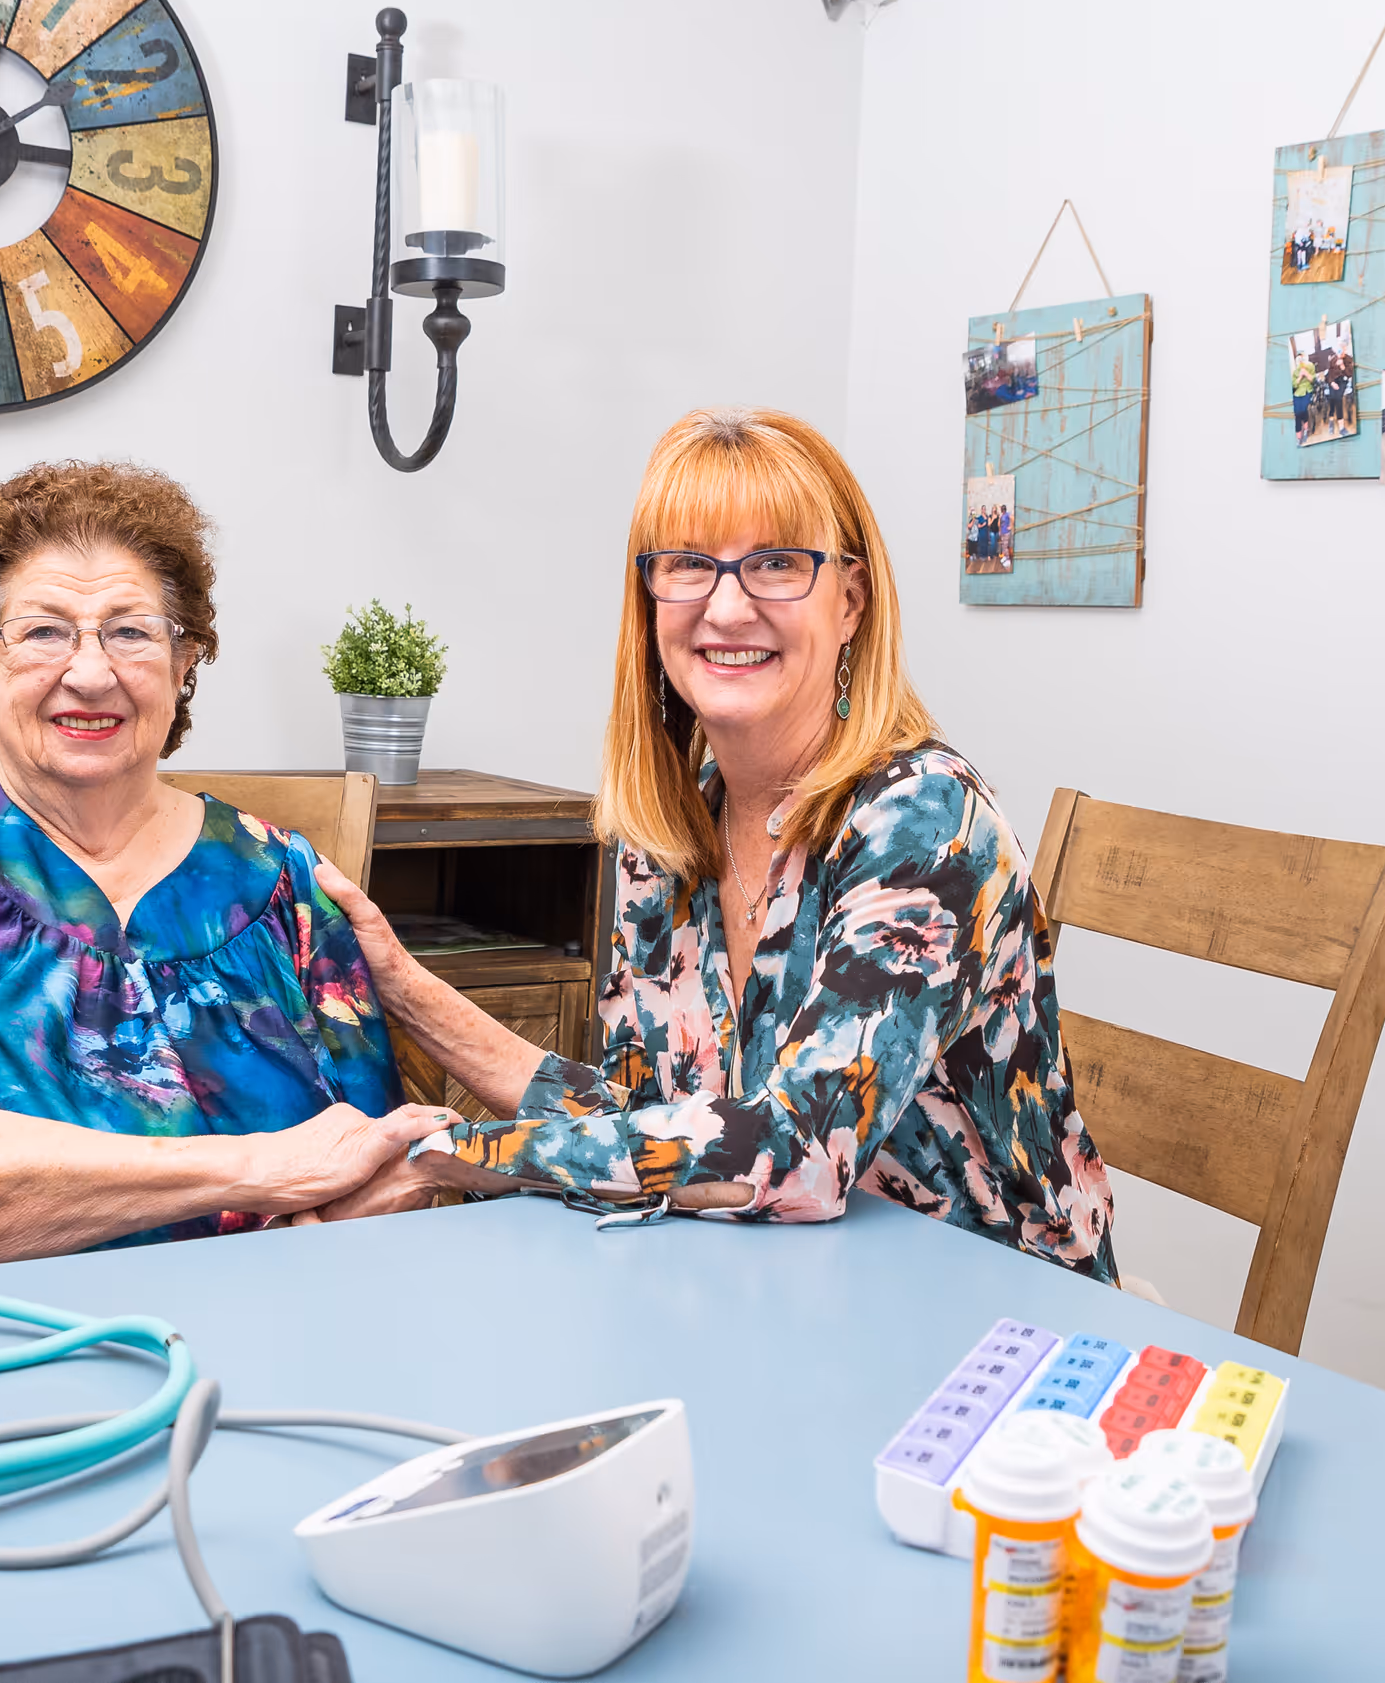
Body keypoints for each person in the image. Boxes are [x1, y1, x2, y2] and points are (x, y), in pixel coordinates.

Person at [320, 408, 1117, 1279]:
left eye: (777, 563)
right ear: (651, 600)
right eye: (690, 565)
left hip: (995, 1321)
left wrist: (457, 1154)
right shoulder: (667, 834)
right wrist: (402, 986)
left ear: (850, 602)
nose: (727, 606)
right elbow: (653, 1122)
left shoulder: (924, 823)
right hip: (777, 1292)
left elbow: (797, 1151)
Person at [0, 461, 451, 1284]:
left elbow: (374, 1167)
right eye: (44, 631)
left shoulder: (285, 879)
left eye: (131, 631)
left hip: (256, 1352)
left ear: (185, 664)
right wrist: (251, 1169)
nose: (90, 672)